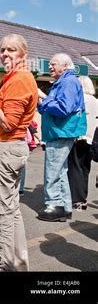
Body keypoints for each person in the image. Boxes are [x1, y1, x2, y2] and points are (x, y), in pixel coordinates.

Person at [0, 34, 38, 272]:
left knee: (1, 209)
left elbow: (8, 123)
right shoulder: (16, 77)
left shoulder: (20, 79)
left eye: (11, 50)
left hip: (5, 147)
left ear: (24, 53)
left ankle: (3, 265)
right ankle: (17, 263)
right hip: (10, 147)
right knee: (10, 209)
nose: (4, 54)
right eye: (2, 49)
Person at [37, 53, 86, 222]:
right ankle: (64, 207)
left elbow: (63, 107)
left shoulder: (67, 81)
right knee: (61, 170)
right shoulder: (67, 81)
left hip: (60, 131)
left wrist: (43, 102)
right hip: (61, 131)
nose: (50, 67)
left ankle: (54, 205)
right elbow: (57, 105)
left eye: (53, 64)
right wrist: (44, 102)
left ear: (65, 66)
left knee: (52, 170)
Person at [67, 76, 97, 211]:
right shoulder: (96, 101)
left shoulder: (78, 100)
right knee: (85, 168)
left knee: (75, 168)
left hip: (79, 137)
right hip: (92, 138)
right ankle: (83, 198)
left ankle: (78, 200)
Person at [18, 120, 39, 196]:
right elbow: (33, 131)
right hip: (27, 145)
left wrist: (39, 139)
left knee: (20, 166)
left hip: (21, 144)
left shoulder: (24, 120)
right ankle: (21, 189)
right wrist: (40, 139)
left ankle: (19, 188)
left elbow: (32, 130)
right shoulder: (27, 119)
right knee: (22, 165)